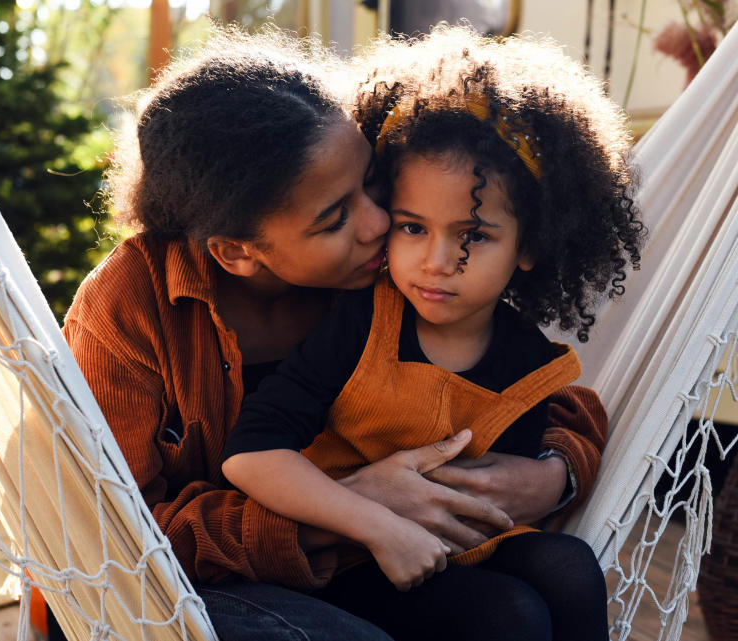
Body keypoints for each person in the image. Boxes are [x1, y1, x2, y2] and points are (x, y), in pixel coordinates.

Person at [59, 26, 609, 641]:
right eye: (334, 218)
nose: (381, 223)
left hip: (359, 564)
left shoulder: (389, 275)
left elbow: (536, 392)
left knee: (520, 607)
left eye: (372, 184)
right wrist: (350, 506)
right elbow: (111, 536)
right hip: (173, 595)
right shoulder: (131, 306)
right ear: (239, 252)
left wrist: (555, 472)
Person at [221, 26, 645, 641]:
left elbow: (568, 437)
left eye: (473, 235)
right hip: (349, 559)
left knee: (570, 565)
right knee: (512, 615)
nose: (438, 261)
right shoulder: (360, 322)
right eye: (413, 228)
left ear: (528, 246)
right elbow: (251, 453)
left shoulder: (529, 361)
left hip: (456, 554)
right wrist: (375, 524)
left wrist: (556, 474)